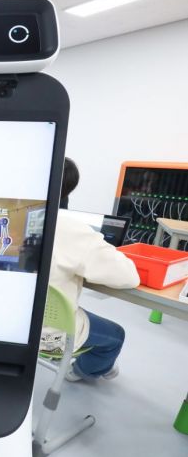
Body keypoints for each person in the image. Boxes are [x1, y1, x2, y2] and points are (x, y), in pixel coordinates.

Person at [48, 157, 140, 382]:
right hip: (48, 332)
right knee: (116, 335)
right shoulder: (72, 229)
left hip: (0, 323)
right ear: (67, 191)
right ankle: (80, 371)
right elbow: (129, 277)